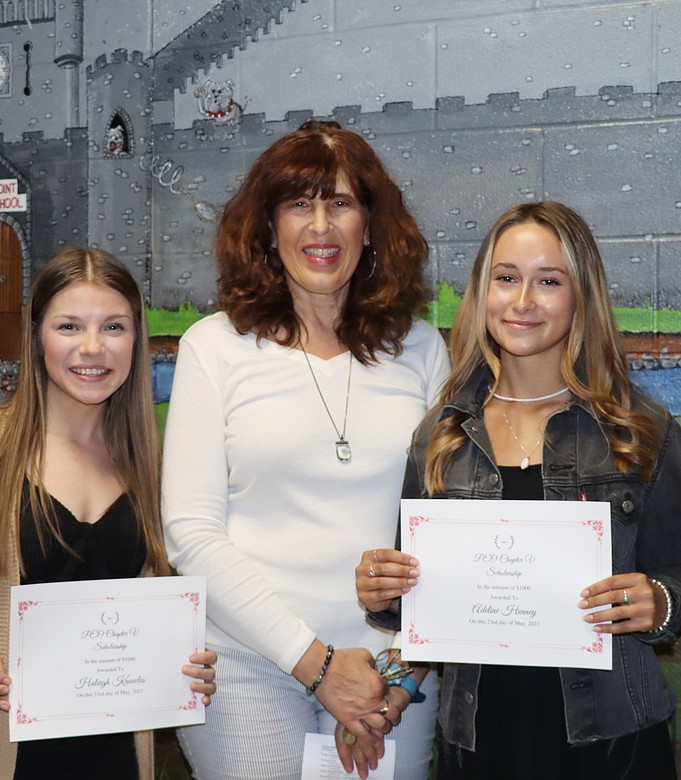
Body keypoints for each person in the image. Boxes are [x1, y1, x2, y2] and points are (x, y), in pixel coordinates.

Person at [356, 201, 681, 779]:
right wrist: (385, 591)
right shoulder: (440, 436)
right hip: (478, 740)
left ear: (581, 298)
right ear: (482, 292)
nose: (522, 302)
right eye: (506, 279)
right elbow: (422, 610)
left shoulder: (640, 431)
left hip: (612, 741)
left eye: (549, 281)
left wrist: (659, 601)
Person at [161, 119, 449, 780]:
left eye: (341, 203)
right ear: (268, 227)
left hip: (388, 677)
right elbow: (191, 535)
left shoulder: (424, 351)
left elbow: (445, 530)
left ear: (371, 226)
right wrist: (316, 665)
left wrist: (404, 674)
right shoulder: (214, 346)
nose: (320, 226)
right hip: (248, 666)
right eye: (299, 204)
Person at [0, 248, 217, 780]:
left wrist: (184, 664)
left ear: (136, 339)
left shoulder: (151, 465)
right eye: (69, 326)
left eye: (113, 326)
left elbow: (151, 608)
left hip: (114, 756)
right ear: (37, 337)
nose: (92, 347)